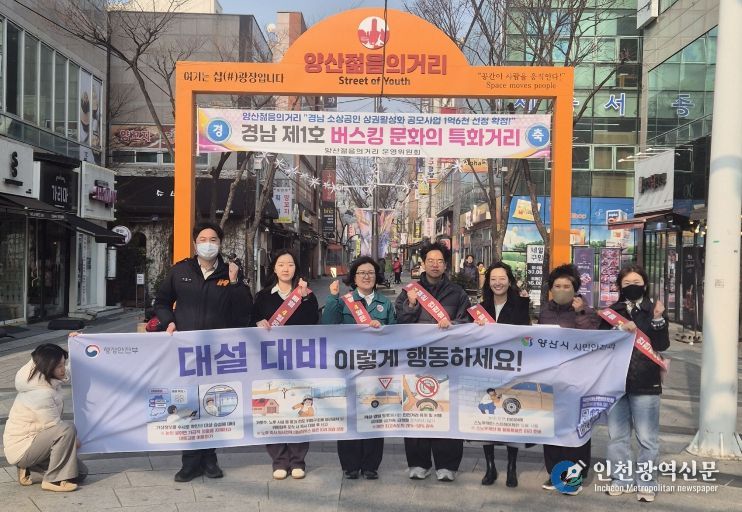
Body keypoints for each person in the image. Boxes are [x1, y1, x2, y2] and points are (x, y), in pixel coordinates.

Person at [153, 221, 253, 482]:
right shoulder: (180, 271)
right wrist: (169, 321)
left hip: (218, 353)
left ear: (220, 243)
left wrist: (234, 282)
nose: (208, 244)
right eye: (203, 239)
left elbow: (244, 311)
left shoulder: (230, 271)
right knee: (188, 403)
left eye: (213, 240)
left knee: (212, 403)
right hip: (186, 352)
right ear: (195, 243)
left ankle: (210, 459)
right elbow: (161, 301)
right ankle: (189, 462)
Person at [394, 242, 470, 482]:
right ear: (423, 263)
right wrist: (412, 304)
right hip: (416, 361)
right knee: (416, 409)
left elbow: (466, 322)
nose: (435, 265)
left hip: (447, 361)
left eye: (439, 261)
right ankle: (418, 463)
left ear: (445, 265)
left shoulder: (457, 292)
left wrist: (452, 325)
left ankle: (447, 465)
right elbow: (399, 321)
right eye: (430, 261)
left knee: (447, 410)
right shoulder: (410, 291)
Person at [321, 256, 396, 480]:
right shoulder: (344, 301)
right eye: (361, 273)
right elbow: (328, 324)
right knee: (349, 415)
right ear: (354, 278)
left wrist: (382, 329)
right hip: (349, 369)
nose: (366, 276)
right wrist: (332, 297)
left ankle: (371, 465)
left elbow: (396, 334)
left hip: (376, 369)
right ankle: (350, 465)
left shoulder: (385, 303)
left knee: (374, 414)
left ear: (376, 276)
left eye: (370, 272)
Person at [601, 264, 669, 503]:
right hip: (616, 383)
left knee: (647, 438)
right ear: (620, 286)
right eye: (627, 283)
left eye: (637, 283)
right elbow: (599, 345)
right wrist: (618, 329)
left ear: (645, 285)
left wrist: (658, 319)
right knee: (617, 437)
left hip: (646, 382)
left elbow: (661, 345)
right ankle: (621, 479)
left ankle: (647, 483)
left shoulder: (654, 309)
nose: (632, 287)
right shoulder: (611, 312)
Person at [253, 249, 319, 480]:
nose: (285, 268)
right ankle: (279, 460)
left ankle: (298, 460)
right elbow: (251, 320)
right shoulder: (263, 296)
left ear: (295, 268)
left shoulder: (306, 295)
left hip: (299, 362)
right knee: (273, 410)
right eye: (281, 264)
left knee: (299, 408)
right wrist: (257, 322)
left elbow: (314, 321)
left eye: (290, 264)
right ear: (274, 268)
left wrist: (305, 297)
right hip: (271, 363)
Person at [537, 263, 601, 496]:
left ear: (575, 289)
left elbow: (592, 338)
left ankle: (573, 477)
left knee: (576, 430)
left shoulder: (586, 311)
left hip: (577, 381)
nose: (562, 289)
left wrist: (580, 312)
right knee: (552, 428)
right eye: (557, 286)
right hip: (551, 380)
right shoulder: (545, 311)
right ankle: (555, 473)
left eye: (567, 286)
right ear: (551, 289)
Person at [473, 262, 531, 488]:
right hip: (486, 369)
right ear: (488, 282)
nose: (498, 283)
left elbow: (525, 335)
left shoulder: (521, 305)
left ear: (509, 281)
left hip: (510, 370)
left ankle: (511, 466)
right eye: (493, 279)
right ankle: (490, 466)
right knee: (486, 417)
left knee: (510, 416)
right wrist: (475, 327)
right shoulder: (480, 308)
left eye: (502, 278)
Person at [3, 344, 87, 492]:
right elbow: (54, 427)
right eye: (59, 366)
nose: (63, 369)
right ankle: (53, 480)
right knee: (67, 429)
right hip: (23, 447)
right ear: (48, 366)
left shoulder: (45, 377)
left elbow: (69, 372)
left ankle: (29, 472)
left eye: (63, 364)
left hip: (37, 441)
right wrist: (75, 441)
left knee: (79, 473)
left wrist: (77, 343)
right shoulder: (40, 393)